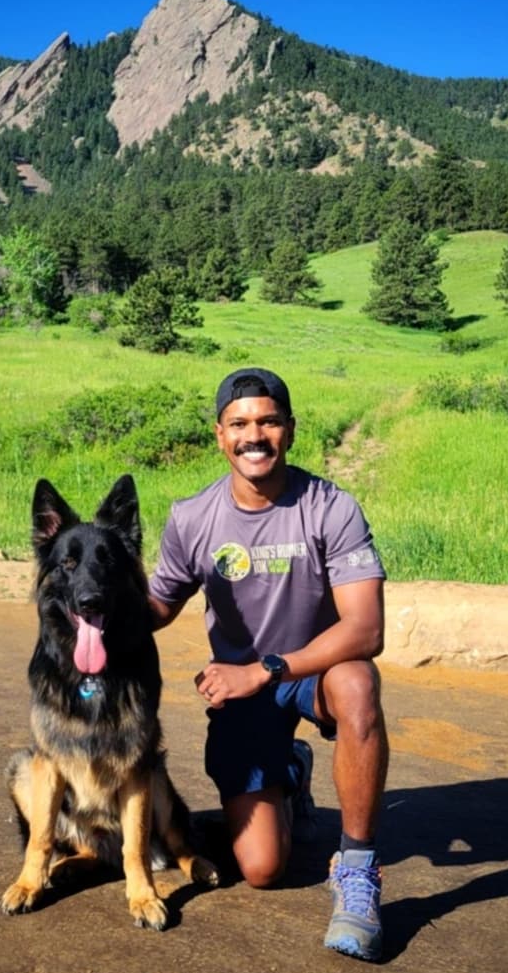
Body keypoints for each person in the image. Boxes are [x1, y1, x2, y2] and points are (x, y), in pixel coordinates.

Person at [148, 367, 389, 962]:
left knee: (358, 682)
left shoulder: (331, 507)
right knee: (261, 868)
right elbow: (159, 604)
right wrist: (95, 601)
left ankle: (357, 869)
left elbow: (366, 629)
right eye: (239, 424)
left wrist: (266, 669)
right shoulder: (192, 517)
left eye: (268, 422)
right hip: (245, 695)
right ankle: (292, 769)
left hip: (311, 674)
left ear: (291, 430)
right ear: (219, 434)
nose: (253, 436)